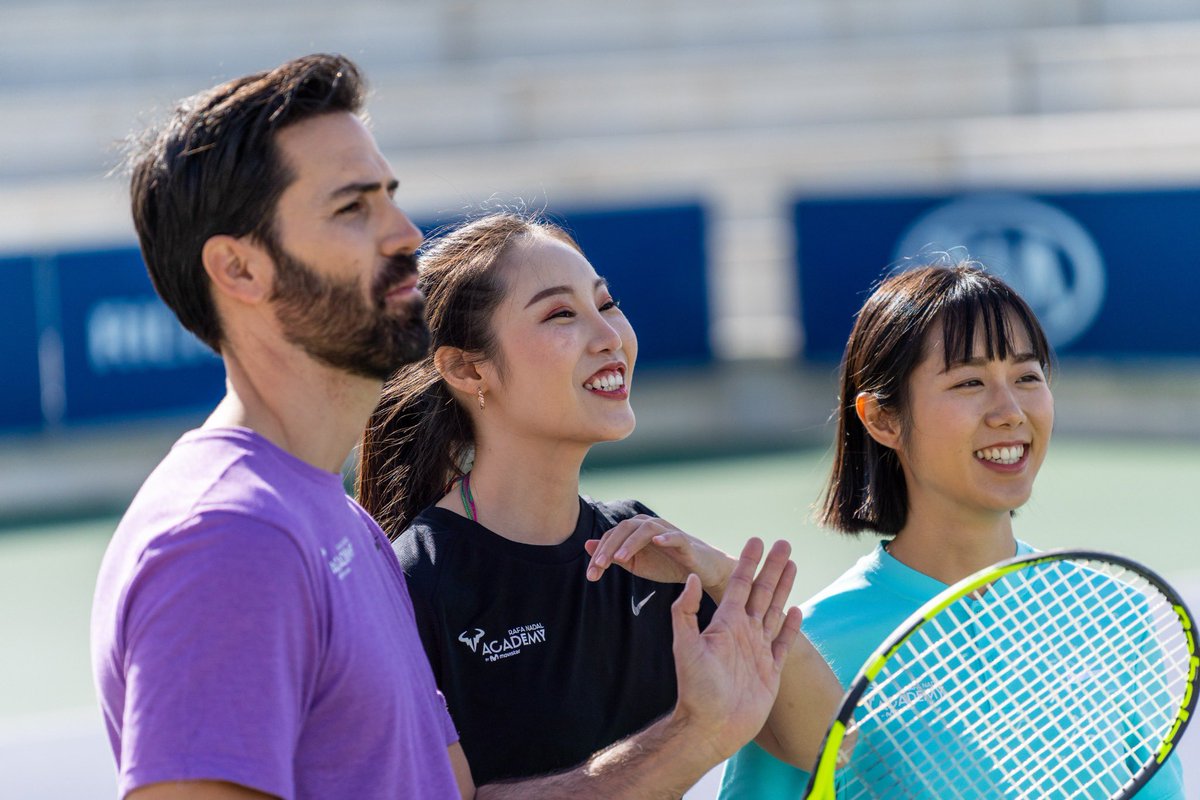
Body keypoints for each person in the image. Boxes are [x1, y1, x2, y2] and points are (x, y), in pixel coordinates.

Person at [91, 53, 809, 800]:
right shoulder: (227, 537)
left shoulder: (337, 524)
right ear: (239, 271)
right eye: (352, 208)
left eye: (390, 198)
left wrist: (693, 737)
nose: (405, 233)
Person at [356, 211, 843, 788]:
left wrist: (719, 576)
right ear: (467, 368)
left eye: (607, 304)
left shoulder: (648, 551)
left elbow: (829, 746)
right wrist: (691, 736)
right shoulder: (412, 583)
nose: (611, 336)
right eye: (561, 314)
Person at [717, 263, 1186, 797]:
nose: (1010, 412)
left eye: (1028, 377)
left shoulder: (1112, 612)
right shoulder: (809, 649)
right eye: (969, 382)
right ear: (882, 420)